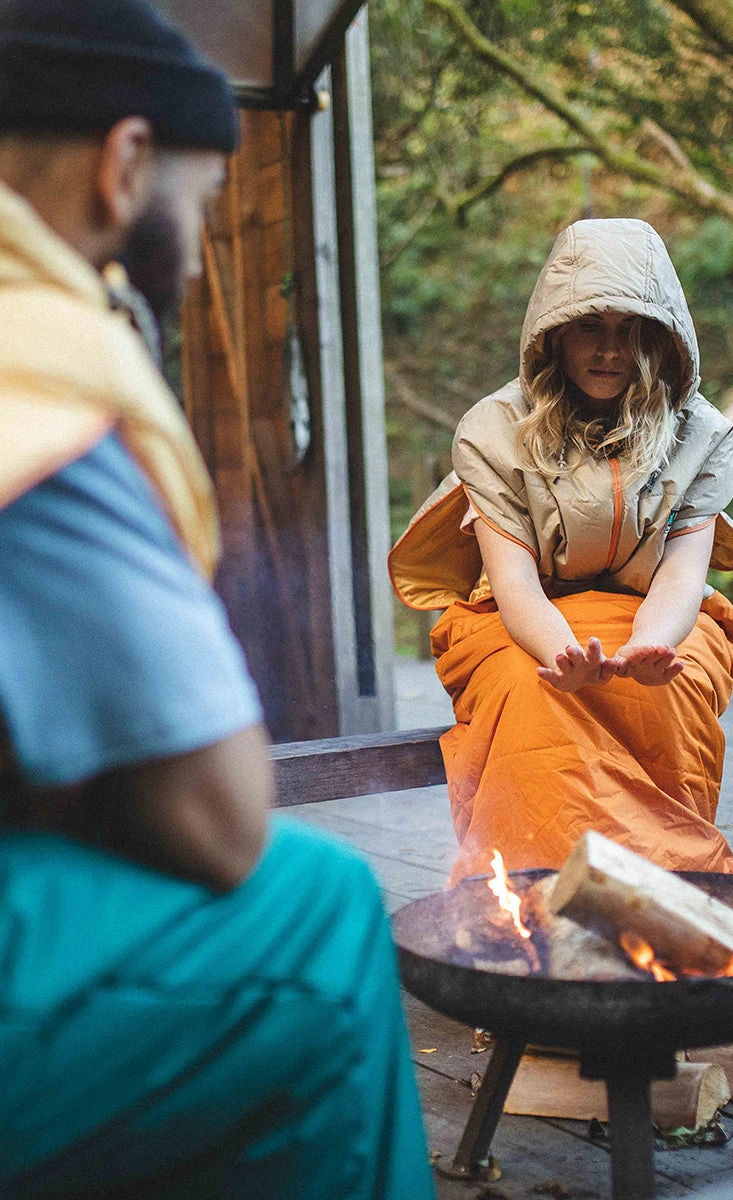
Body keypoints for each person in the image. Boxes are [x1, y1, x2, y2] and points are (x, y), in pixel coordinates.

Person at [0, 2, 433, 1196]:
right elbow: (222, 816)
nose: (192, 255)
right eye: (194, 208)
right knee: (314, 903)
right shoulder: (42, 382)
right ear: (123, 162)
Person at [389, 218, 733, 886]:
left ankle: (668, 889)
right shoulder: (492, 430)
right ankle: (530, 895)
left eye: (631, 329)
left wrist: (652, 646)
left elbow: (682, 572)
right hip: (521, 619)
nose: (610, 350)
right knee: (532, 696)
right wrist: (563, 655)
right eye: (591, 326)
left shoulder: (704, 434)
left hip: (654, 614)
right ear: (553, 332)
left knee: (672, 687)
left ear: (662, 337)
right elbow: (515, 584)